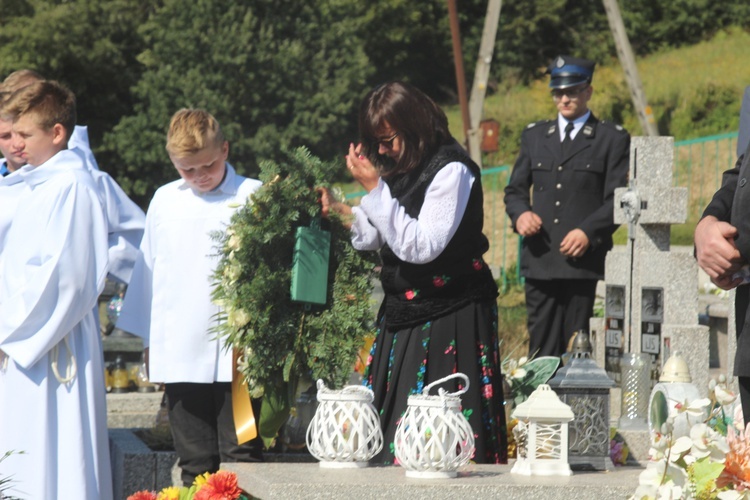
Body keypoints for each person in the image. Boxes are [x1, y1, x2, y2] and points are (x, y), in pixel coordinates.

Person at [319, 81, 507, 464]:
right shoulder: (404, 166)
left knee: (438, 435)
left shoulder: (451, 169)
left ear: (415, 125)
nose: (383, 150)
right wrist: (344, 214)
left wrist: (373, 187)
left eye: (388, 139)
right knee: (394, 432)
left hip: (448, 312)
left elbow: (420, 246)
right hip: (405, 311)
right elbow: (381, 233)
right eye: (376, 142)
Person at [116, 108, 264, 485]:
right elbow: (150, 274)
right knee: (194, 461)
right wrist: (152, 343)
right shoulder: (165, 200)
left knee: (241, 459)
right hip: (182, 348)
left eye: (207, 166)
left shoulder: (254, 195)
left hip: (239, 353)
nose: (199, 177)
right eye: (187, 170)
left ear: (225, 150)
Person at [0, 80, 112, 499]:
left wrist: (6, 331)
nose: (17, 144)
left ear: (57, 133)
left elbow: (66, 278)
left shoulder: (73, 187)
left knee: (53, 456)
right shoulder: (33, 184)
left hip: (49, 345)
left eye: (26, 134)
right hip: (21, 340)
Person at [504, 55, 630, 358]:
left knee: (577, 349)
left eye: (572, 91)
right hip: (541, 259)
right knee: (541, 350)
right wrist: (521, 214)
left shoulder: (610, 138)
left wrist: (588, 232)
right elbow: (515, 189)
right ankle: (538, 404)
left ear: (587, 91)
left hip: (581, 262)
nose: (564, 99)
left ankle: (575, 405)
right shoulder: (535, 136)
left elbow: (618, 198)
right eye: (558, 93)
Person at [0, 69, 145, 284]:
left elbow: (131, 244)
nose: (16, 143)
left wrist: (94, 255)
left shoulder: (80, 182)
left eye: (25, 133)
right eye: (6, 135)